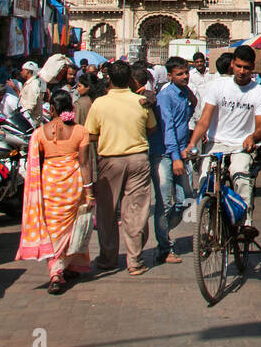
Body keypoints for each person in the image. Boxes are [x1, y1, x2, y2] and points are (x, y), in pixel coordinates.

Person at [16, 90, 94, 294]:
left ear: (51, 109)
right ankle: (62, 269)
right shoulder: (81, 131)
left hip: (50, 184)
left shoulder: (39, 133)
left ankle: (57, 271)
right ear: (71, 108)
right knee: (70, 228)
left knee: (54, 230)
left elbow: (34, 164)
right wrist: (89, 191)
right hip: (73, 184)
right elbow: (85, 163)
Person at [186, 44, 261, 237]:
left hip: (241, 146)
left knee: (239, 174)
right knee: (206, 180)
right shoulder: (218, 86)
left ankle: (245, 222)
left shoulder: (259, 92)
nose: (242, 71)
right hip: (216, 143)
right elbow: (204, 120)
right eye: (238, 66)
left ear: (252, 68)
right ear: (232, 64)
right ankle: (207, 228)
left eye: (246, 68)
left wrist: (253, 137)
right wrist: (191, 144)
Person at [85, 61, 157, 276]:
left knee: (107, 211)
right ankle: (134, 260)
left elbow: (91, 135)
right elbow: (152, 129)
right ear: (130, 80)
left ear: (108, 79)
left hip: (110, 160)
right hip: (138, 159)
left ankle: (108, 259)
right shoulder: (141, 102)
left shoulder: (99, 103)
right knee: (135, 210)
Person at [152, 57, 194, 264]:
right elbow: (168, 127)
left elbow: (189, 113)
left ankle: (164, 231)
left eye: (186, 72)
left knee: (186, 199)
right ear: (169, 76)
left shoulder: (185, 92)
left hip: (181, 153)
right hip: (166, 155)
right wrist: (176, 157)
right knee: (165, 203)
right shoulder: (165, 96)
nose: (185, 76)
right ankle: (163, 247)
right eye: (180, 74)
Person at [18, 60, 44, 128]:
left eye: (22, 70)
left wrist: (24, 117)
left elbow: (31, 105)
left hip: (32, 121)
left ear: (28, 71)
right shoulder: (29, 83)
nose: (21, 72)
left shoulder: (33, 84)